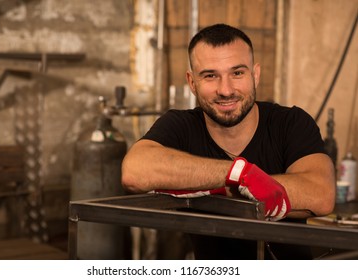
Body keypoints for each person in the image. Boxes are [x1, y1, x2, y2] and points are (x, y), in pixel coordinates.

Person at [121, 23, 335, 259]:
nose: (226, 90)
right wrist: (240, 175)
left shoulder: (290, 123)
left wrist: (215, 187)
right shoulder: (181, 125)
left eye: (237, 73)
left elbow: (321, 195)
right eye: (210, 76)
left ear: (255, 75)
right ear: (192, 83)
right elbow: (134, 171)